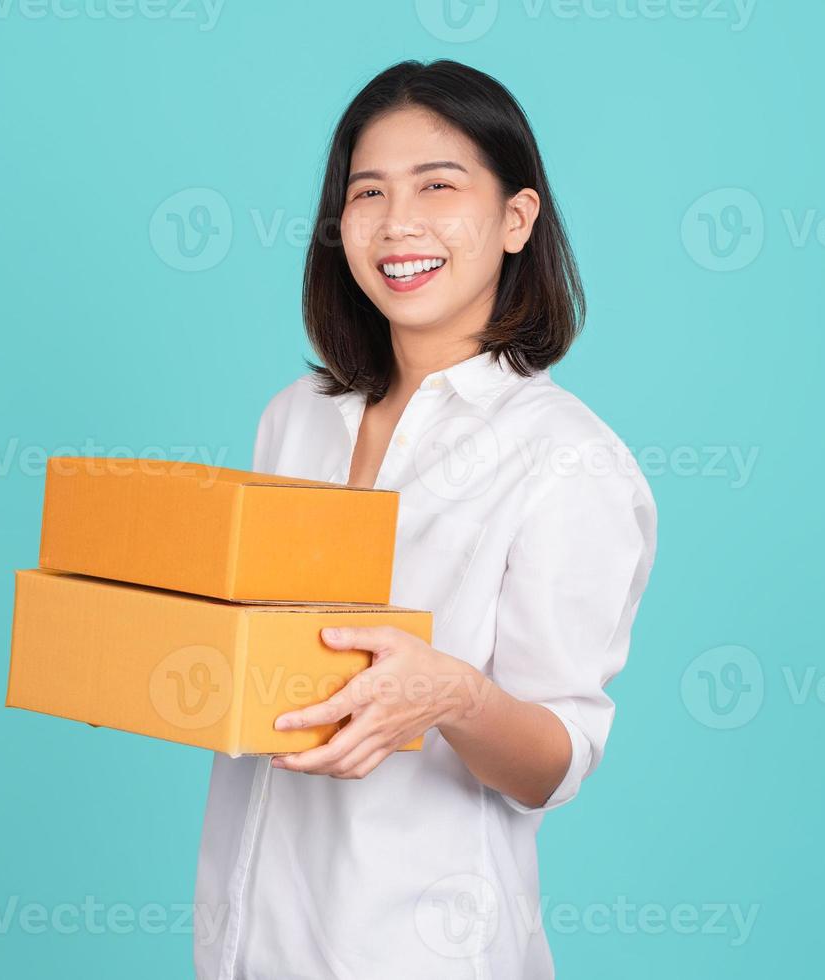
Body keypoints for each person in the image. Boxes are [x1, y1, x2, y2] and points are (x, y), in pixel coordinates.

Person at [192, 59, 659, 979]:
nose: (398, 223)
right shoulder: (296, 417)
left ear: (516, 218)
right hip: (249, 937)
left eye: (438, 186)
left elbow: (556, 761)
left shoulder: (566, 457)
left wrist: (455, 694)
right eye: (368, 192)